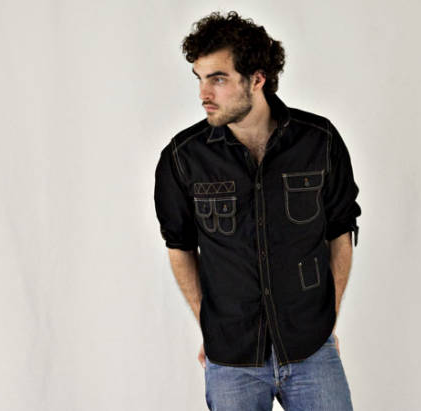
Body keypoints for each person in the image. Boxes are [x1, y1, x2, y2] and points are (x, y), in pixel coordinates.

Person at [154, 10, 361, 411]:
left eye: (218, 78)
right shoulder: (183, 158)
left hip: (311, 351)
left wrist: (327, 319)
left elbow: (341, 230)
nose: (204, 94)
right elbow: (179, 246)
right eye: (199, 78)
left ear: (257, 79)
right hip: (232, 359)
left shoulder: (319, 141)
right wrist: (210, 326)